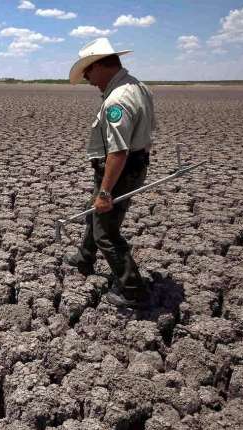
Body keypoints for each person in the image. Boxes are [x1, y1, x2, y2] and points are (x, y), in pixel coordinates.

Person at [64, 38, 155, 308]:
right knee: (94, 213)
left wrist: (105, 191)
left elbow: (118, 152)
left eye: (89, 73)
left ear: (101, 66)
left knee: (106, 231)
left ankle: (132, 289)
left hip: (119, 171)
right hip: (131, 166)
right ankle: (84, 257)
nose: (90, 81)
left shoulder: (118, 100)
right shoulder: (138, 86)